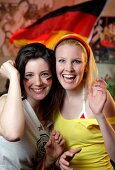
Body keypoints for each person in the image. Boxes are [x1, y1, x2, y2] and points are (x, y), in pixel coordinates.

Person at [53, 34, 115, 170]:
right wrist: (59, 161)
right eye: (62, 60)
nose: (68, 68)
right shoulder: (55, 98)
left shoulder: (99, 96)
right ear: (55, 64)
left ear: (86, 66)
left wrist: (99, 115)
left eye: (76, 61)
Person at [0, 42, 65, 170]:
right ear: (21, 79)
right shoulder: (5, 102)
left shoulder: (50, 122)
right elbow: (13, 134)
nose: (38, 82)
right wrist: (13, 76)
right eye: (29, 75)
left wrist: (49, 160)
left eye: (45, 74)